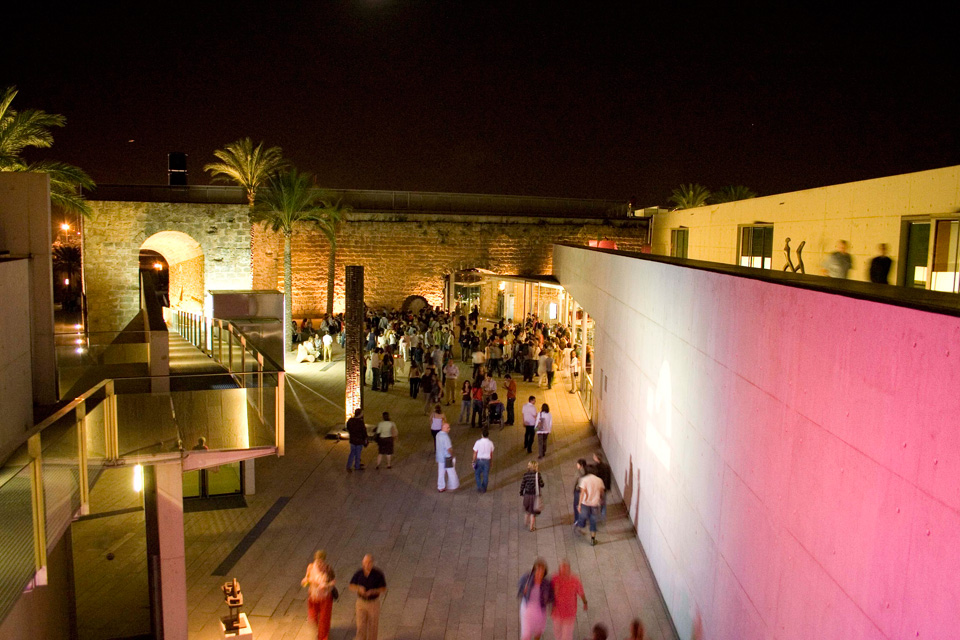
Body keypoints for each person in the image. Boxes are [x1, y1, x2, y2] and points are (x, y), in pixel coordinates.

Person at [349, 554, 387, 640]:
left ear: (372, 563)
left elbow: (383, 588)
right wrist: (359, 588)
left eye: (369, 562)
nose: (366, 564)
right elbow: (351, 585)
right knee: (360, 626)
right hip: (361, 602)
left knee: (373, 626)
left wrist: (373, 591)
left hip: (373, 603)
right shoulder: (359, 573)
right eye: (365, 562)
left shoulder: (378, 574)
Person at [302, 550, 336, 640]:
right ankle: (321, 630)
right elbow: (307, 578)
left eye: (321, 562)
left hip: (325, 598)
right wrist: (305, 581)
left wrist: (326, 585)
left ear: (324, 561)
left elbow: (333, 581)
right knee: (313, 618)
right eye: (318, 561)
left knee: (324, 619)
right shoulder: (310, 567)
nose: (319, 564)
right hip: (313, 597)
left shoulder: (328, 569)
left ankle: (323, 637)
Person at [550, 560, 587, 640]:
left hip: (569, 613)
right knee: (557, 634)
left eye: (565, 568)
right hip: (557, 613)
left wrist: (585, 602)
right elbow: (548, 593)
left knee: (566, 636)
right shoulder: (554, 578)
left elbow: (581, 592)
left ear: (569, 569)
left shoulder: (575, 580)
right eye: (561, 569)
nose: (563, 571)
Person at [517, 558, 553, 640]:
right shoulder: (527, 578)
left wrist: (551, 605)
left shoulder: (546, 583)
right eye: (538, 570)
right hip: (527, 610)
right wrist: (523, 591)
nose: (539, 573)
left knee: (538, 632)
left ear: (544, 572)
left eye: (542, 571)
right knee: (526, 635)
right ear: (534, 570)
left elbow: (550, 597)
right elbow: (520, 588)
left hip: (540, 612)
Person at [575, 468, 604, 545]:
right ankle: (593, 539)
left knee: (582, 516)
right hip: (595, 504)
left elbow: (582, 493)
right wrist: (600, 499)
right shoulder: (599, 480)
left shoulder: (584, 480)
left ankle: (580, 528)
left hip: (585, 503)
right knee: (593, 521)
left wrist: (579, 504)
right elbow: (601, 492)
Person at [520, 460, 544, 531]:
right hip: (534, 496)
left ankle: (526, 522)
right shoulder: (538, 475)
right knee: (533, 513)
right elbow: (542, 484)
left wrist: (521, 492)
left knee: (527, 510)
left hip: (527, 495)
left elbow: (522, 485)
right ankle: (531, 527)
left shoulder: (526, 475)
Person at [435, 422, 459, 492]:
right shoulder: (445, 437)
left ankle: (440, 486)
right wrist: (452, 455)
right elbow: (449, 449)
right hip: (447, 458)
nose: (449, 429)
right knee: (451, 471)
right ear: (444, 428)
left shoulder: (438, 434)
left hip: (440, 457)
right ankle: (453, 485)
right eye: (448, 428)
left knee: (441, 472)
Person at [591, 452, 612, 521]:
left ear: (596, 458)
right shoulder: (606, 466)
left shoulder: (595, 468)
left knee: (596, 502)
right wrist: (608, 487)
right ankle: (603, 516)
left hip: (597, 488)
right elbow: (609, 478)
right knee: (603, 502)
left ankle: (596, 517)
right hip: (604, 488)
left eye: (594, 456)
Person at [472, 428, 495, 493]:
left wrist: (473, 461)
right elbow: (491, 453)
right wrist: (491, 461)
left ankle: (480, 487)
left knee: (477, 474)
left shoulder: (478, 442)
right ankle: (484, 488)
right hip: (487, 461)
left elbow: (475, 452)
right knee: (485, 475)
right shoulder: (490, 443)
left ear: (482, 435)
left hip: (479, 460)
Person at [573, 459, 588, 529]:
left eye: (578, 464)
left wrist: (573, 490)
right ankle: (583, 521)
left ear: (581, 465)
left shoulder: (578, 473)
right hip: (585, 491)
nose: (577, 465)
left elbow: (575, 483)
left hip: (578, 491)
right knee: (583, 506)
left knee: (576, 506)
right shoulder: (587, 472)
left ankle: (577, 520)